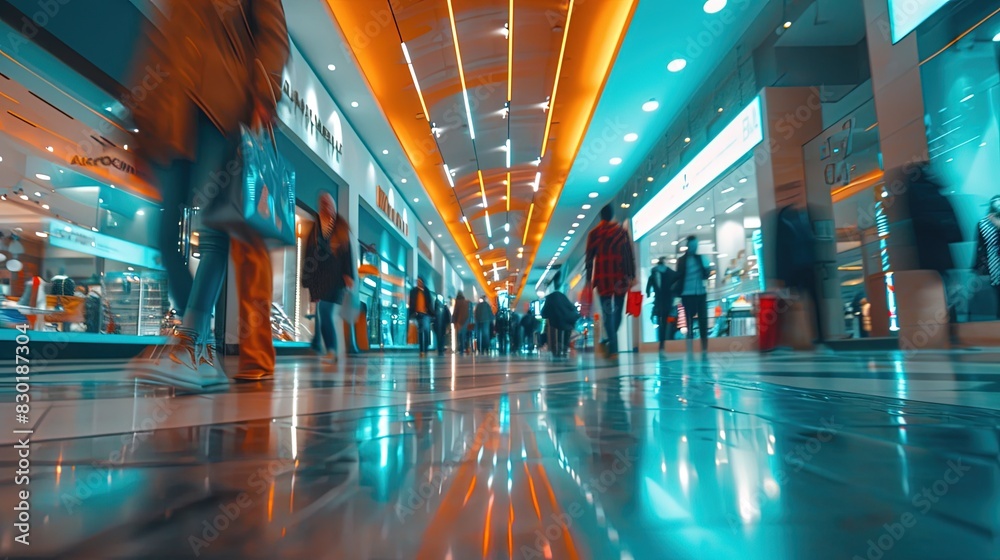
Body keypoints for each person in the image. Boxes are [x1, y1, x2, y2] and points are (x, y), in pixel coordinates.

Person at [130, 0, 289, 385]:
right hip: (173, 114)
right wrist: (139, 126)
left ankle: (191, 342)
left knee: (214, 229)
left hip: (224, 107)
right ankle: (196, 343)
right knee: (166, 235)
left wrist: (264, 96)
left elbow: (273, 35)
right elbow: (157, 45)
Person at [302, 192, 354, 364]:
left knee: (324, 312)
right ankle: (330, 350)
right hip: (320, 279)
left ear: (334, 207)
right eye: (323, 203)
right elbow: (308, 254)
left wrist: (349, 275)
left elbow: (347, 253)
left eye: (329, 203)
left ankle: (331, 349)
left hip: (337, 279)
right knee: (323, 313)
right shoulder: (315, 228)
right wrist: (307, 280)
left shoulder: (341, 228)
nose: (326, 206)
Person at [585, 204, 637, 358]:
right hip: (619, 279)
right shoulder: (621, 232)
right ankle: (613, 346)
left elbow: (589, 259)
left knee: (609, 314)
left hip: (603, 279)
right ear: (612, 214)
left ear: (601, 216)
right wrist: (631, 275)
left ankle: (611, 343)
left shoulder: (594, 234)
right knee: (617, 314)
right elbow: (628, 255)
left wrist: (589, 280)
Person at [675, 236, 710, 354]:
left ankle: (704, 347)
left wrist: (707, 271)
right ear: (689, 246)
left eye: (696, 246)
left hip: (700, 293)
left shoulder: (701, 259)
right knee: (689, 321)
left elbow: (707, 273)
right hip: (687, 294)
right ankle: (690, 346)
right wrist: (677, 295)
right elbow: (678, 277)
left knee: (702, 321)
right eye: (693, 245)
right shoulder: (682, 260)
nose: (694, 248)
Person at [542, 272, 580, 360]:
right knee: (564, 342)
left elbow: (543, 313)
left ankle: (558, 354)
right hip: (567, 324)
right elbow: (572, 308)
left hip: (555, 325)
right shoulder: (563, 297)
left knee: (557, 343)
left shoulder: (549, 298)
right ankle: (564, 353)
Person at [973, 195, 1000, 319]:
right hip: (993, 263)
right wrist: (976, 266)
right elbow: (980, 247)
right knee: (996, 294)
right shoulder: (983, 224)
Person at [647, 257, 679, 356]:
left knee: (661, 323)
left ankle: (662, 343)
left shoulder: (653, 273)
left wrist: (648, 294)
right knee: (666, 323)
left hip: (659, 302)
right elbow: (677, 280)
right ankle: (665, 342)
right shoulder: (670, 273)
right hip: (668, 302)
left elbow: (648, 288)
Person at [408, 278, 433, 357]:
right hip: (417, 313)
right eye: (417, 281)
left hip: (425, 314)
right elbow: (411, 303)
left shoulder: (426, 291)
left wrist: (431, 313)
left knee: (425, 330)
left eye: (420, 281)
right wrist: (411, 313)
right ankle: (421, 350)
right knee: (420, 332)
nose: (418, 283)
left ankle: (425, 349)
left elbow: (429, 303)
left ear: (423, 282)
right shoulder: (413, 291)